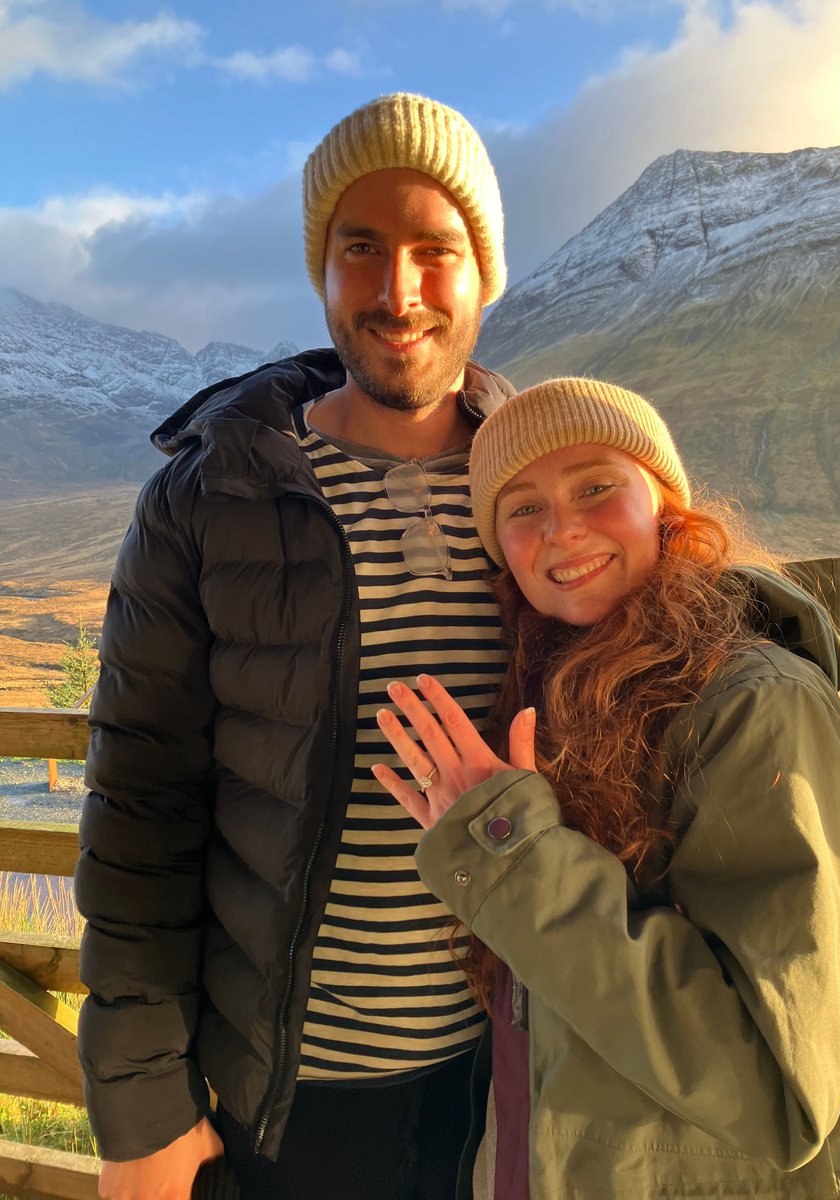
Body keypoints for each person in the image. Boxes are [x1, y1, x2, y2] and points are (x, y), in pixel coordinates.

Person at [75, 92, 517, 1200]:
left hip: (517, 1080)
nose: (398, 290)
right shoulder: (208, 498)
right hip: (291, 1106)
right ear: (321, 273)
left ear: (483, 275)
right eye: (360, 249)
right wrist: (143, 1117)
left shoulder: (546, 486)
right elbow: (141, 812)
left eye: (435, 250)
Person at [373, 377, 840, 1198]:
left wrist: (512, 862)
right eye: (522, 508)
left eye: (596, 487)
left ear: (664, 503)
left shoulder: (758, 706)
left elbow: (779, 1093)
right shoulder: (556, 700)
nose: (563, 528)